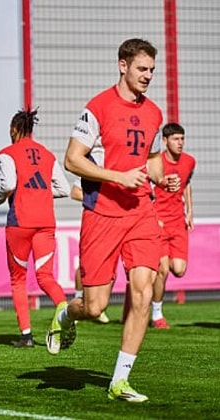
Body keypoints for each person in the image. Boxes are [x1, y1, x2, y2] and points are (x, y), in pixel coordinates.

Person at [57, 38, 180, 403]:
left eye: (152, 70)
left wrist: (162, 178)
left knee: (143, 290)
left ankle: (119, 381)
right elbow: (72, 160)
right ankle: (66, 315)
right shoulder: (97, 108)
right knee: (94, 307)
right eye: (142, 68)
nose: (148, 75)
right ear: (122, 66)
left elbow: (152, 159)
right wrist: (118, 177)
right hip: (102, 215)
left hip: (141, 212)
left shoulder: (154, 112)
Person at [0, 108, 70, 348]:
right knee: (45, 277)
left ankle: (26, 336)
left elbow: (9, 185)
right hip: (46, 222)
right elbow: (64, 189)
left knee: (18, 279)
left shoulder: (7, 153)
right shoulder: (48, 154)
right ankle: (65, 311)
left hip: (20, 222)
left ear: (14, 130)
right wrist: (40, 194)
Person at [149, 122, 196, 328]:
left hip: (178, 222)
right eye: (176, 139)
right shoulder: (155, 163)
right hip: (158, 222)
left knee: (178, 269)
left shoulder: (189, 161)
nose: (180, 142)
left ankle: (148, 282)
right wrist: (152, 216)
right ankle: (157, 315)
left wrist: (190, 211)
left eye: (182, 139)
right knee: (163, 270)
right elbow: (146, 190)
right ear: (165, 141)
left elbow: (186, 183)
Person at [70, 180, 109, 324]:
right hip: (94, 221)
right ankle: (79, 300)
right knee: (86, 264)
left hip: (113, 222)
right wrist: (99, 201)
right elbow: (74, 192)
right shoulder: (93, 168)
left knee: (108, 265)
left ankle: (100, 306)